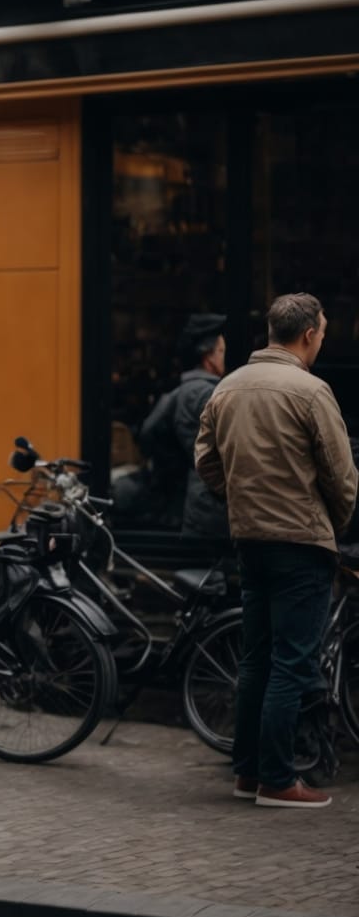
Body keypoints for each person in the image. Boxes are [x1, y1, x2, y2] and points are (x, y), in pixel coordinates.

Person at [195, 293, 357, 809]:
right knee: (292, 662)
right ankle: (278, 780)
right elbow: (341, 474)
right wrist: (335, 522)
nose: (322, 339)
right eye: (323, 332)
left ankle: (248, 774)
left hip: (250, 539)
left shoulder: (227, 387)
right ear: (308, 334)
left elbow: (206, 462)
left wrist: (240, 500)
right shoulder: (311, 391)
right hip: (301, 543)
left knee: (257, 659)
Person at [142, 313, 228, 539]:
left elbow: (147, 434)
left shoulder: (181, 391)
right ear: (208, 356)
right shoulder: (206, 393)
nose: (224, 358)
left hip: (185, 503)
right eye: (221, 351)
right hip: (207, 506)